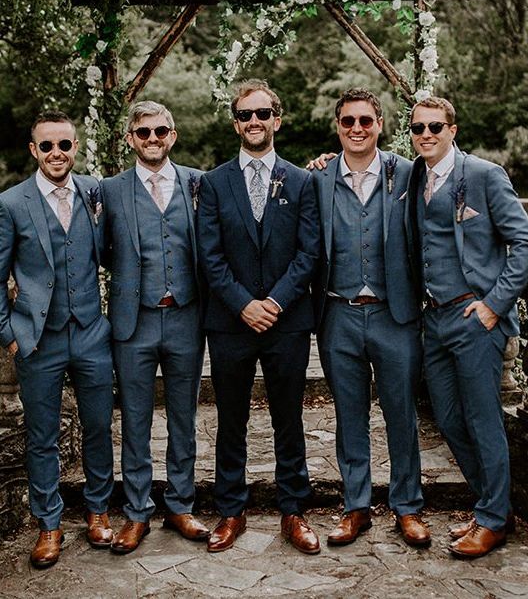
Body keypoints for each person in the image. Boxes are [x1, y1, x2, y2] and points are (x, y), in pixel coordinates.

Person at [404, 96, 528, 558]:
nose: (426, 134)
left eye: (435, 127)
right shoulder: (414, 175)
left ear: (452, 130)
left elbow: (525, 243)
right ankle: (491, 506)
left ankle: (493, 519)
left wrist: (493, 306)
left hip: (475, 318)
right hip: (434, 319)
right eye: (418, 127)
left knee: (483, 420)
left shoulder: (483, 175)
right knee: (447, 415)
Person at [197, 79, 321, 554]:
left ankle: (294, 509)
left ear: (277, 119)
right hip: (230, 322)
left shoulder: (302, 181)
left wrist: (275, 303)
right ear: (235, 123)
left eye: (263, 113)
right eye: (245, 115)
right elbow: (209, 256)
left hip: (286, 321)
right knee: (231, 419)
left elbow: (310, 252)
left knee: (288, 418)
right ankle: (231, 510)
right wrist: (243, 304)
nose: (254, 122)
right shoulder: (212, 183)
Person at [310, 88, 429, 547]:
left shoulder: (408, 174)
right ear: (337, 127)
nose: (356, 129)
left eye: (365, 120)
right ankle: (356, 507)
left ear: (380, 124)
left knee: (401, 412)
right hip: (337, 314)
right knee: (349, 415)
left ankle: (408, 507)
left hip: (393, 314)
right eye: (347, 122)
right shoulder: (317, 179)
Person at [0, 111, 114, 567]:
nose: (56, 154)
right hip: (37, 339)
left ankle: (99, 512)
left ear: (75, 146)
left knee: (99, 427)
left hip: (90, 332)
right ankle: (48, 525)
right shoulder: (11, 203)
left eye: (64, 145)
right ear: (34, 150)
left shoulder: (93, 191)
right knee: (42, 437)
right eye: (46, 146)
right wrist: (9, 335)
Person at [102, 101, 209, 553]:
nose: (152, 139)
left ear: (173, 134)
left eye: (160, 131)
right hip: (135, 320)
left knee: (185, 417)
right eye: (143, 132)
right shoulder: (108, 190)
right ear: (131, 138)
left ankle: (181, 504)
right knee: (136, 420)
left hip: (186, 316)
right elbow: (100, 249)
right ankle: (137, 511)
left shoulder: (197, 183)